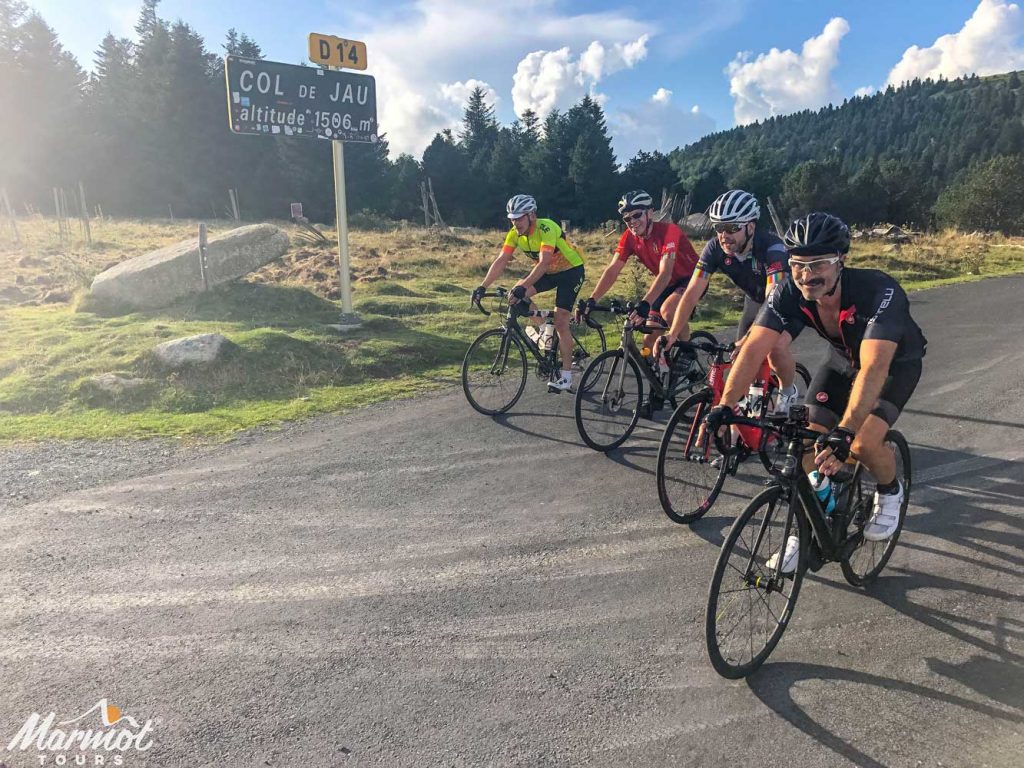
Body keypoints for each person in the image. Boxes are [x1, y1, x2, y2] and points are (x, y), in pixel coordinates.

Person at [705, 212, 927, 571]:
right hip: (841, 361)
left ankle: (889, 492)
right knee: (804, 440)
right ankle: (807, 525)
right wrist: (725, 404)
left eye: (819, 264)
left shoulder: (878, 291)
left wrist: (846, 429)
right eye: (798, 265)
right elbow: (754, 349)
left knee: (862, 444)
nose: (807, 275)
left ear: (841, 262)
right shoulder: (788, 292)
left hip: (892, 366)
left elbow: (873, 368)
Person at [657, 189, 799, 413]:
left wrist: (748, 341)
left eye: (732, 228)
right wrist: (673, 334)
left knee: (774, 348)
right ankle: (745, 414)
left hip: (786, 304)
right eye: (719, 228)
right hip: (754, 301)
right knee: (740, 363)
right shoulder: (715, 248)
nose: (724, 235)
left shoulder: (772, 249)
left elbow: (773, 300)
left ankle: (788, 390)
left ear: (750, 227)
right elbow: (692, 292)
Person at [472, 194, 585, 392]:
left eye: (519, 218)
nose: (515, 223)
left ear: (531, 215)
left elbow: (543, 261)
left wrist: (523, 286)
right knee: (516, 296)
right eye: (512, 219)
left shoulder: (546, 227)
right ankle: (543, 330)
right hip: (549, 273)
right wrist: (483, 286)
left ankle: (566, 377)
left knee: (560, 321)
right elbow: (501, 260)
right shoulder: (514, 235)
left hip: (570, 272)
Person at [578, 190, 700, 353]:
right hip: (667, 285)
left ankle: (687, 350)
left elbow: (665, 273)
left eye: (636, 215)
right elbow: (613, 269)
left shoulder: (669, 231)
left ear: (650, 213)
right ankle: (660, 375)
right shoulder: (629, 237)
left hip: (692, 279)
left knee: (669, 311)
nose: (632, 221)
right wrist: (592, 299)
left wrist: (645, 303)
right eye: (627, 218)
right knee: (649, 340)